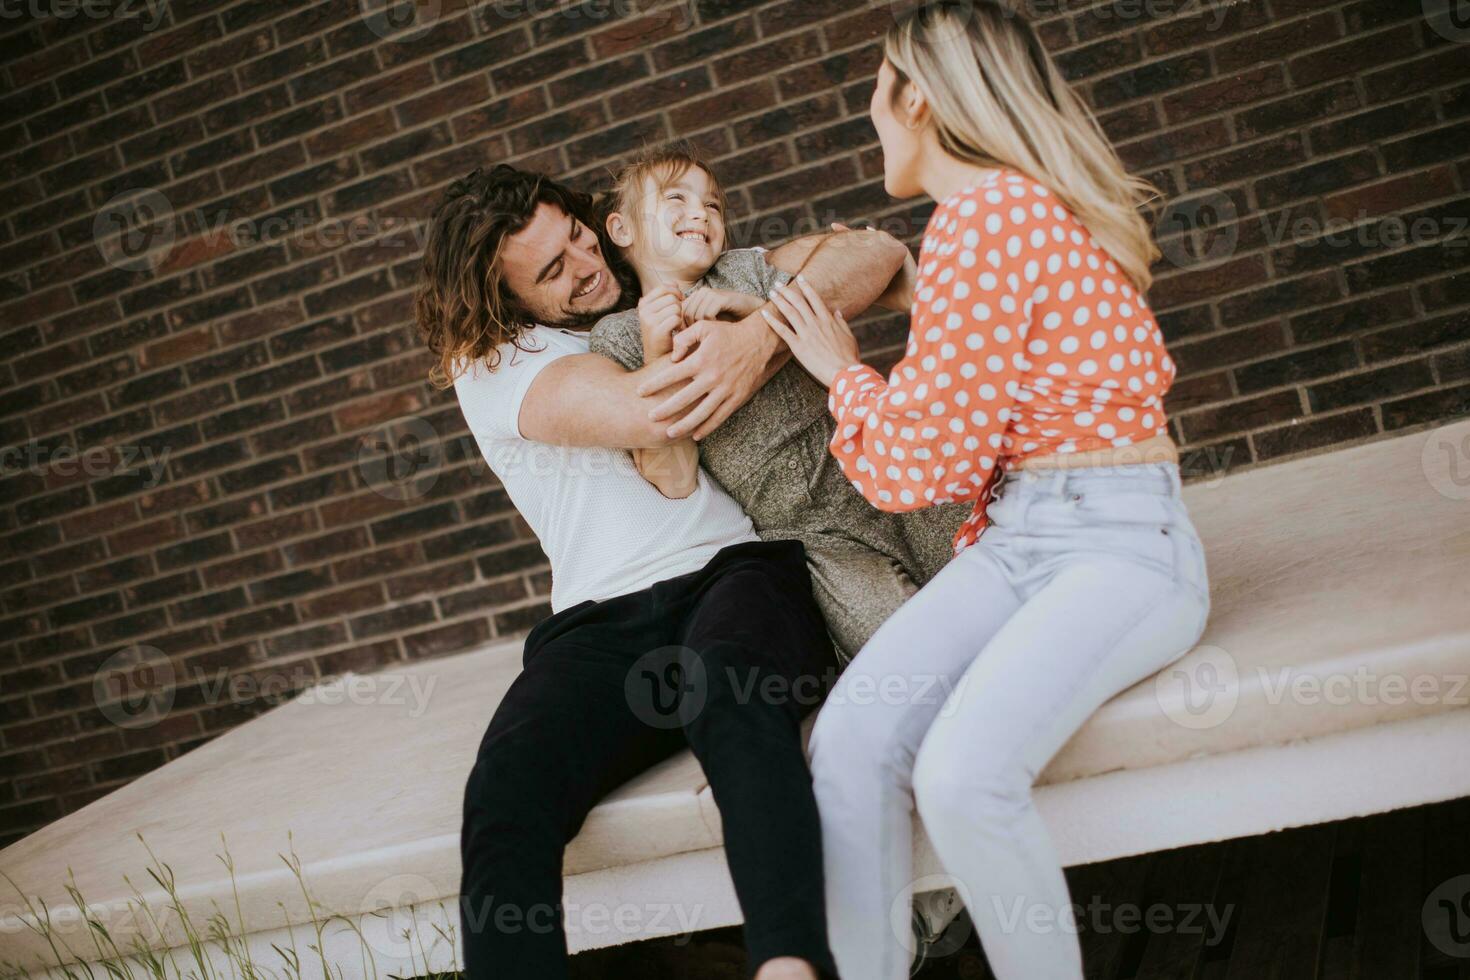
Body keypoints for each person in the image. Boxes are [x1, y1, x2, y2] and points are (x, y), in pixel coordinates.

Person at [759, 3, 1212, 978]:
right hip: (1021, 541)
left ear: (916, 97)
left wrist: (842, 371)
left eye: (876, 95)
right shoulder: (1009, 215)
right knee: (850, 736)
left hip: (1119, 549)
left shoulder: (987, 218)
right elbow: (978, 341)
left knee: (963, 773)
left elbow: (919, 468)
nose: (872, 118)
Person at [415, 162, 912, 980]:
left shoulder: (660, 271)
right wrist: (763, 329)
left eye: (578, 236)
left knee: (730, 687)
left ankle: (789, 966)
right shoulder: (499, 360)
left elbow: (869, 254)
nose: (584, 268)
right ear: (505, 301)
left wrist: (754, 329)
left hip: (738, 571)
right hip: (598, 623)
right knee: (506, 787)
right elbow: (657, 412)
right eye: (551, 271)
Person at [589, 143, 969, 663]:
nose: (701, 212)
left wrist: (753, 311)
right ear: (622, 230)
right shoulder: (620, 338)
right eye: (676, 198)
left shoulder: (747, 269)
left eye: (714, 205)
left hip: (880, 462)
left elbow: (834, 309)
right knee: (903, 643)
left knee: (988, 562)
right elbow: (671, 476)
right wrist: (657, 351)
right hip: (809, 534)